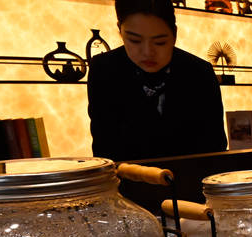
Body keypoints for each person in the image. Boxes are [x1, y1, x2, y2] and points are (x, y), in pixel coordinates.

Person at [87, 0, 227, 161]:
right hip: (126, 175)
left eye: (160, 42)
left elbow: (215, 147)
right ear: (120, 30)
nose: (148, 52)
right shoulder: (104, 69)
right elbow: (104, 149)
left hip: (193, 174)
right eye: (134, 40)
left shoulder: (199, 72)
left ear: (174, 35)